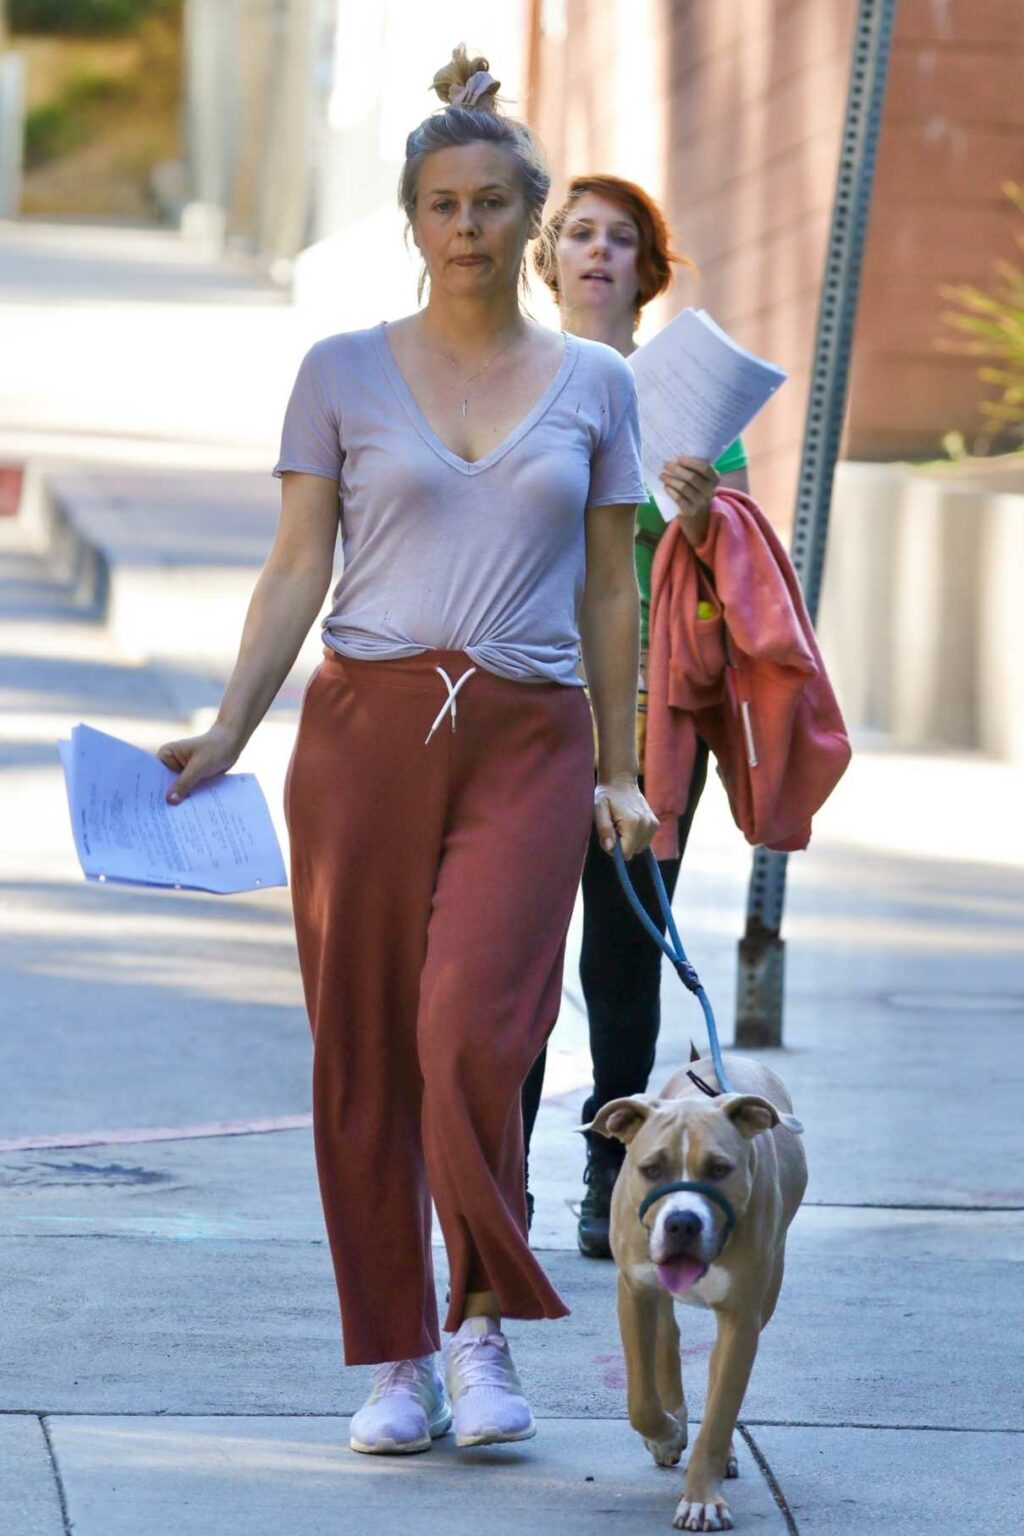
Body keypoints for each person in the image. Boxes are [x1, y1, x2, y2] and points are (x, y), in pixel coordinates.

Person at [155, 52, 657, 1457]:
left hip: (530, 736)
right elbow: (294, 568)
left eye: (497, 203)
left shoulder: (597, 385)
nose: (470, 227)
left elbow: (612, 586)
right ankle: (396, 1361)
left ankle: (483, 1328)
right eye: (445, 203)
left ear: (536, 224)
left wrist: (620, 765)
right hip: (366, 729)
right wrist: (231, 727)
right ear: (414, 217)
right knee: (367, 1051)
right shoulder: (340, 372)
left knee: (473, 1039)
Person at [522, 176, 751, 1257]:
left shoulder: (696, 408)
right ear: (548, 257)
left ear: (646, 270)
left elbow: (734, 570)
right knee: (510, 955)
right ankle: (497, 1183)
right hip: (523, 705)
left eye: (621, 239)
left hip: (651, 724)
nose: (599, 253)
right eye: (579, 235)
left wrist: (700, 515)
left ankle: (613, 1181)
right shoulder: (513, 377)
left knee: (619, 962)